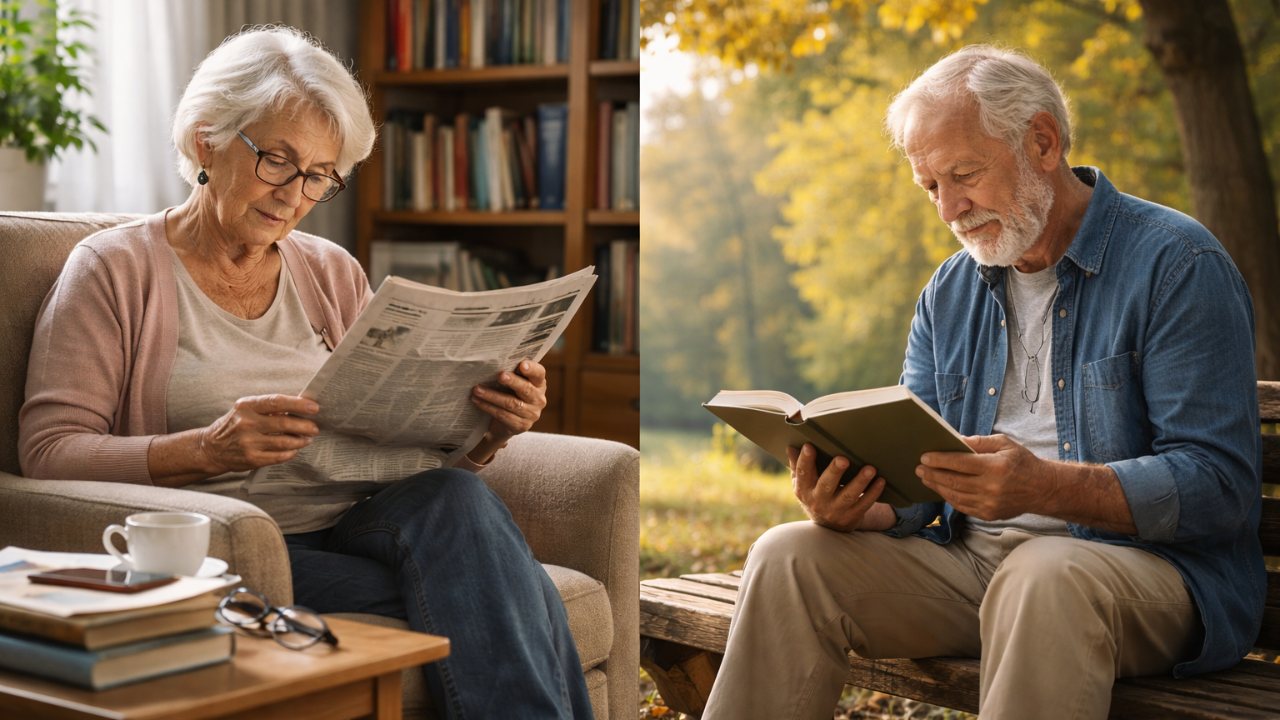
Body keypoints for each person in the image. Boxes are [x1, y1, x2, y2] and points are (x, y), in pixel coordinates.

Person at [19, 27, 593, 720]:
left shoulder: (328, 269)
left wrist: (488, 431)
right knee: (505, 593)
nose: (296, 194)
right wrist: (205, 451)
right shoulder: (113, 269)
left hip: (359, 520)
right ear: (206, 141)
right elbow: (48, 453)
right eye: (278, 162)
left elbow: (394, 444)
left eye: (320, 174)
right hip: (238, 542)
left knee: (457, 499)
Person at [702, 45, 1266, 720]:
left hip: (1153, 579)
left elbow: (1219, 485)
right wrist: (858, 505)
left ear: (1042, 142)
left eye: (963, 175)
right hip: (975, 572)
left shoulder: (1177, 264)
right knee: (787, 555)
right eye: (931, 188)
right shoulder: (950, 291)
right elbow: (917, 486)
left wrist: (1048, 487)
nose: (949, 209)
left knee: (1043, 575)